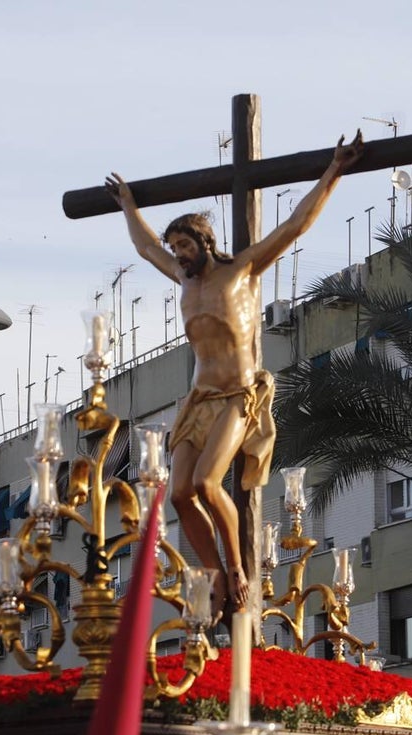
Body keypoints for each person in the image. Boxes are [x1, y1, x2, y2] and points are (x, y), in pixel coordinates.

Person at [105, 132, 364, 612]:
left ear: (205, 241)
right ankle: (215, 573)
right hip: (200, 398)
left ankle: (240, 567)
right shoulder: (183, 279)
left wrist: (333, 172)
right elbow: (145, 249)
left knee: (207, 483)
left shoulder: (242, 269)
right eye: (175, 246)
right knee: (180, 493)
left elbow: (294, 227)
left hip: (238, 396)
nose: (178, 253)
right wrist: (127, 205)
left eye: (184, 244)